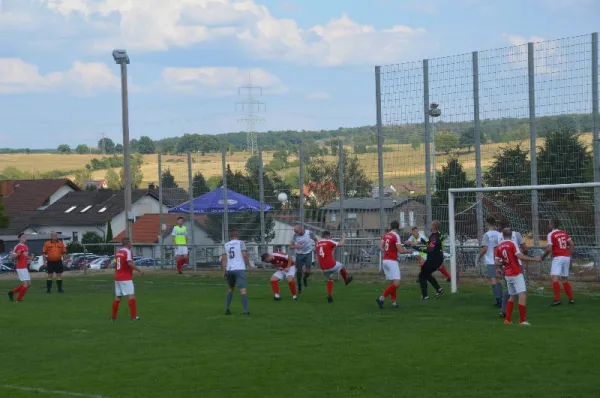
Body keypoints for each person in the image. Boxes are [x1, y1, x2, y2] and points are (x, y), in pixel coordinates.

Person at [494, 228, 541, 326]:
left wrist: (499, 267)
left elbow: (497, 262)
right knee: (522, 294)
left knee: (512, 296)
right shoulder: (512, 243)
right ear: (511, 235)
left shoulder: (499, 247)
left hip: (507, 274)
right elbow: (520, 256)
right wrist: (534, 259)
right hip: (515, 272)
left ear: (502, 235)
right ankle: (522, 320)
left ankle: (507, 319)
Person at [376, 221, 413, 309]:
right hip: (392, 261)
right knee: (397, 284)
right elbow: (400, 251)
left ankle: (394, 302)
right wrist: (409, 251)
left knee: (392, 283)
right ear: (398, 228)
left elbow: (380, 246)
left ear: (391, 227)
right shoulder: (396, 236)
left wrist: (387, 251)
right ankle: (381, 298)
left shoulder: (386, 235)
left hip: (385, 261)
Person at [541, 218, 575, 306]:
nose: (548, 225)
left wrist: (543, 256)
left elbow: (549, 248)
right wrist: (568, 254)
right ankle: (571, 299)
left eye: (549, 224)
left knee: (554, 278)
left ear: (552, 225)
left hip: (558, 257)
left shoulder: (551, 234)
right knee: (564, 279)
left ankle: (557, 299)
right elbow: (571, 244)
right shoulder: (564, 232)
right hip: (566, 257)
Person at [498, 221, 528, 318]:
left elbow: (498, 257)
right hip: (516, 267)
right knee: (521, 292)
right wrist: (529, 258)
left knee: (511, 292)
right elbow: (524, 248)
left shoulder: (499, 239)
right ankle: (522, 319)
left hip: (506, 268)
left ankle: (505, 314)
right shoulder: (516, 236)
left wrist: (499, 267)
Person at [111, 238, 143, 322]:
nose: (131, 244)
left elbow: (113, 264)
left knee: (118, 297)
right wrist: (139, 270)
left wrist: (118, 270)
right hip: (126, 277)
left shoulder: (118, 252)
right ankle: (134, 317)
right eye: (130, 242)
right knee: (131, 296)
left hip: (117, 277)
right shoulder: (127, 252)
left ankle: (113, 318)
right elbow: (129, 263)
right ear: (128, 243)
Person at [315, 231, 353, 303]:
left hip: (323, 268)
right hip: (330, 265)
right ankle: (346, 280)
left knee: (330, 280)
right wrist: (343, 236)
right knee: (341, 266)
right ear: (328, 236)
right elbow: (341, 244)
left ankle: (329, 295)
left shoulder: (318, 243)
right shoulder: (329, 241)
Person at [222, 231, 251, 315]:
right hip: (239, 269)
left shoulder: (226, 245)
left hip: (230, 270)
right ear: (237, 236)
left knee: (230, 288)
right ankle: (245, 311)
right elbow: (245, 255)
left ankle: (227, 309)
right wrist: (248, 265)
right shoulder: (241, 243)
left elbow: (224, 259)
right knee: (243, 290)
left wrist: (224, 271)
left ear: (230, 237)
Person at [477, 217, 503, 308]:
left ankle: (499, 299)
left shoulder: (487, 235)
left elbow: (485, 249)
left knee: (493, 279)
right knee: (499, 279)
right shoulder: (500, 234)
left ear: (487, 223)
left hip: (491, 261)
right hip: (500, 261)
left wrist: (479, 257)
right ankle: (502, 298)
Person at [417, 220, 445, 300]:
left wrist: (420, 249)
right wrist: (424, 242)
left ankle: (425, 296)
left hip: (434, 258)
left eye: (431, 225)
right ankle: (439, 289)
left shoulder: (433, 236)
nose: (430, 226)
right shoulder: (438, 235)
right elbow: (434, 245)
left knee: (422, 275)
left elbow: (430, 249)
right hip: (439, 258)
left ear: (433, 227)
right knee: (426, 274)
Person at [290, 224, 318, 293]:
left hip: (308, 253)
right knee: (299, 271)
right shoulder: (295, 236)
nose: (296, 233)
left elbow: (316, 240)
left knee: (308, 271)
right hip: (299, 255)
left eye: (297, 231)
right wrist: (295, 246)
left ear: (301, 229)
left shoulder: (309, 233)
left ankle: (305, 278)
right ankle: (299, 286)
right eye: (295, 232)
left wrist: (316, 248)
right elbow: (291, 246)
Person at [8, 233, 33, 303]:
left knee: (28, 284)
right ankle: (18, 300)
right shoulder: (17, 246)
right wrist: (17, 254)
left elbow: (26, 256)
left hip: (25, 267)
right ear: (19, 238)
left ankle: (12, 292)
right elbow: (12, 257)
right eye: (23, 237)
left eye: (25, 237)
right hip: (20, 267)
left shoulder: (26, 247)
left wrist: (30, 257)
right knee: (25, 284)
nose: (25, 238)